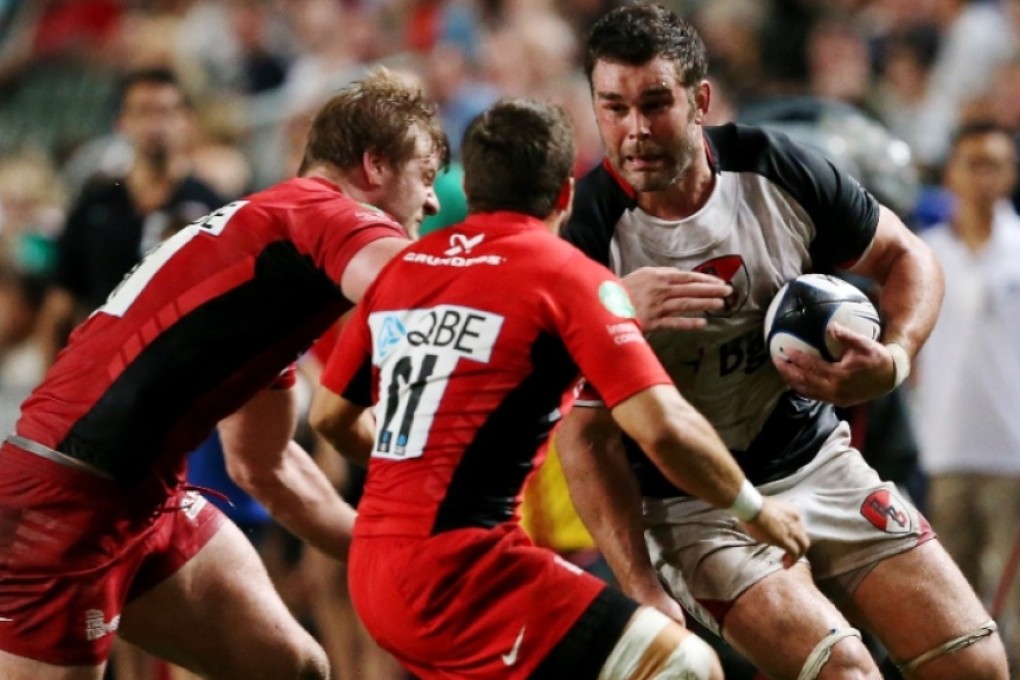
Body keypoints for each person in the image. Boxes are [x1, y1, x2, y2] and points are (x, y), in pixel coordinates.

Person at [555, 5, 1009, 679]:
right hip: (692, 505)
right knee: (845, 673)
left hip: (817, 462)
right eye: (613, 108)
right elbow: (582, 436)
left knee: (979, 667)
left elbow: (908, 258)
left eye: (656, 104)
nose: (635, 131)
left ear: (700, 100)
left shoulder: (777, 171)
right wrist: (641, 583)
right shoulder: (589, 233)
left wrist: (896, 358)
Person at [309, 97, 809, 680]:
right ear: (565, 196)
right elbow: (664, 426)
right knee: (683, 668)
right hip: (462, 573)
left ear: (470, 191)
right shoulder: (564, 275)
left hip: (372, 568)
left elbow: (328, 417)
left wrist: (417, 471)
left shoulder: (404, 269)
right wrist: (754, 508)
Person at [0, 66, 446, 680]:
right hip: (63, 503)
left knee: (294, 668)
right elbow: (424, 292)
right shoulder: (326, 210)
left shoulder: (273, 266)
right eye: (425, 176)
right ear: (373, 168)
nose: (432, 200)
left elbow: (268, 467)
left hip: (145, 501)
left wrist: (421, 563)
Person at [911, 121, 1020, 669]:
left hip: (1012, 454)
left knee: (1016, 612)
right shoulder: (923, 256)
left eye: (993, 164)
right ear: (950, 172)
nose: (981, 177)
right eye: (971, 163)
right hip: (945, 450)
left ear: (1010, 173)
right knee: (955, 612)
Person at [37, 67, 224, 367]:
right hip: (103, 374)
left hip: (182, 373)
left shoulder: (215, 208)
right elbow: (58, 308)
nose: (155, 125)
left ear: (187, 122)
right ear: (121, 123)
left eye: (166, 112)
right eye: (143, 112)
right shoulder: (93, 205)